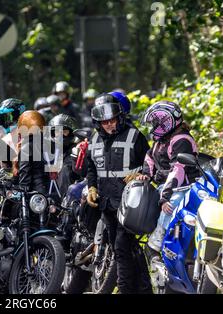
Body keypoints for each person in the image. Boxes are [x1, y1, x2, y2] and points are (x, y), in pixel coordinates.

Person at [86, 93, 151, 294]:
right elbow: (91, 168)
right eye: (104, 122)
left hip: (129, 204)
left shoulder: (135, 136)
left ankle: (124, 290)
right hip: (106, 204)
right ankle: (144, 289)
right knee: (124, 250)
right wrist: (91, 187)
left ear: (120, 116)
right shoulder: (94, 139)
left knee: (121, 248)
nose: (108, 125)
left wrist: (141, 173)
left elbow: (149, 164)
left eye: (111, 120)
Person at [135, 101, 200, 257]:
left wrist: (165, 198)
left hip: (184, 188)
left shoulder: (181, 140)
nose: (152, 127)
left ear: (166, 122)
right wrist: (146, 174)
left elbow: (178, 171)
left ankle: (156, 244)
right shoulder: (162, 140)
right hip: (167, 186)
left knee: (170, 204)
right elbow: (149, 157)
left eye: (154, 123)